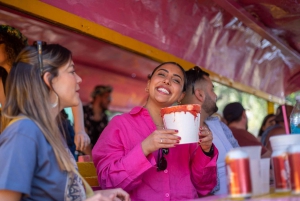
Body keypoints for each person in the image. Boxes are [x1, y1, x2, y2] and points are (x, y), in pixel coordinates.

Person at [0, 43, 130, 201]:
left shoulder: (52, 132)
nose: (79, 79)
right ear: (49, 79)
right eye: (71, 71)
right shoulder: (24, 131)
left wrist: (96, 196)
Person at [92, 62, 218, 200]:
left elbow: (205, 187)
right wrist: (145, 148)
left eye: (176, 80)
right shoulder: (120, 125)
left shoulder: (186, 127)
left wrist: (206, 151)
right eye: (161, 74)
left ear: (181, 96)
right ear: (148, 84)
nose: (167, 80)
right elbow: (108, 184)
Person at [0, 24, 90, 152]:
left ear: (10, 44)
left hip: (57, 129)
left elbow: (73, 97)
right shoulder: (2, 79)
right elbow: (8, 113)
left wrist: (80, 130)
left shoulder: (31, 70)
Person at [181, 66, 239, 195]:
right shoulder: (179, 134)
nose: (215, 95)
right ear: (200, 94)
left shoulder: (220, 126)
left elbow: (242, 158)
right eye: (212, 89)